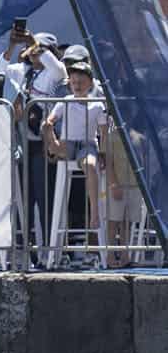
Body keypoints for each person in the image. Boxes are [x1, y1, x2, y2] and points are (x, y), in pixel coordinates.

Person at [43, 61, 109, 262]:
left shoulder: (97, 104)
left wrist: (103, 153)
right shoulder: (65, 100)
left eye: (81, 81)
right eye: (73, 81)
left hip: (87, 144)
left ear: (90, 83)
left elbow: (103, 133)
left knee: (89, 164)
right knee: (47, 129)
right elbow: (51, 119)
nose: (77, 84)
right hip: (68, 142)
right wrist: (49, 128)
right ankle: (53, 150)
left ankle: (94, 212)